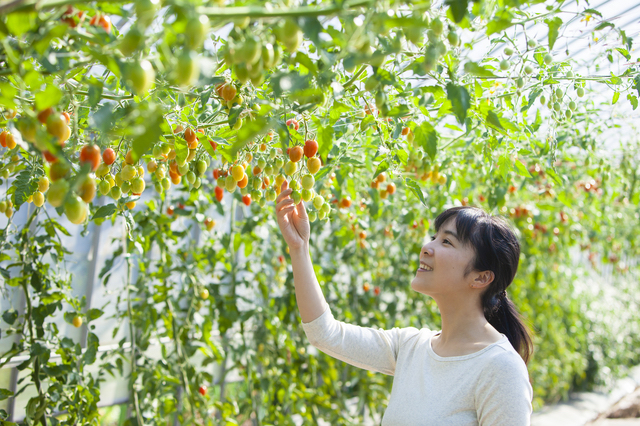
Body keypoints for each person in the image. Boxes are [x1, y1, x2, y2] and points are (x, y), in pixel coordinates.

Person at [276, 181, 534, 425]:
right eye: (434, 237)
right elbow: (324, 334)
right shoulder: (411, 348)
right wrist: (299, 248)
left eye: (447, 241)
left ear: (481, 277)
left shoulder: (500, 369)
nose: (427, 247)